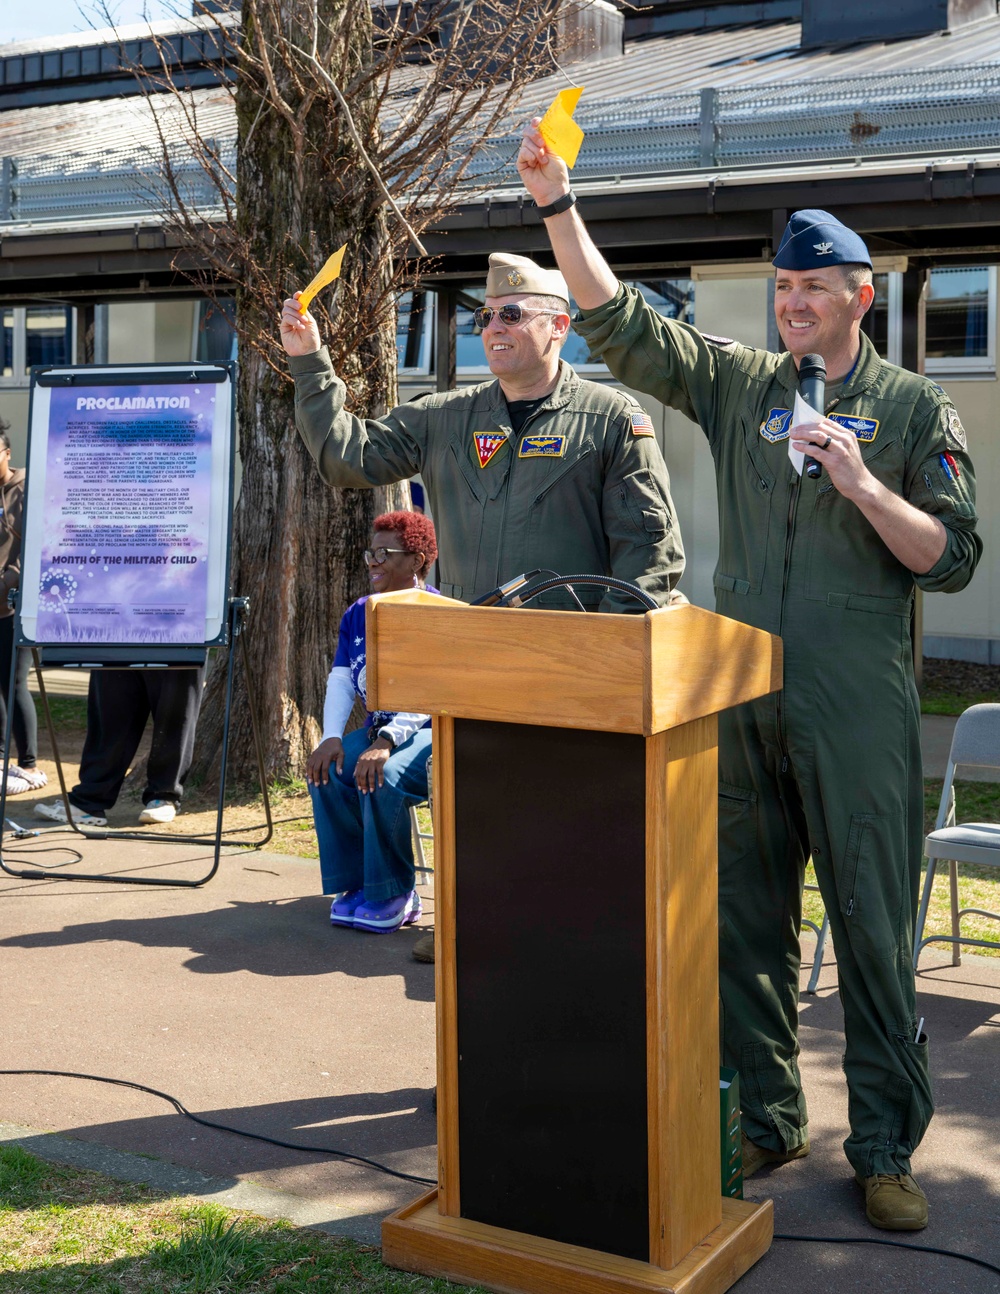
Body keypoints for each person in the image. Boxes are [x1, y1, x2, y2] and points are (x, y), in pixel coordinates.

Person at [517, 122, 981, 1232]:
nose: (792, 304)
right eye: (782, 288)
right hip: (743, 699)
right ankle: (768, 1117)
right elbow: (618, 321)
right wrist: (557, 206)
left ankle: (884, 1147)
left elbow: (952, 557)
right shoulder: (742, 386)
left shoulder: (916, 408)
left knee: (872, 929)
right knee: (741, 924)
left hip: (854, 709)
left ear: (861, 295)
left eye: (812, 288)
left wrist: (864, 483)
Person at [279, 252, 685, 615]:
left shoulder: (610, 419)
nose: (493, 328)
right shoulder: (443, 417)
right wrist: (309, 361)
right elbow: (344, 456)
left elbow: (649, 554)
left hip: (567, 656)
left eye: (511, 315)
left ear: (559, 326)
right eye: (485, 316)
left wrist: (607, 646)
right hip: (469, 650)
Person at [306, 510, 438, 934]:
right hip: (379, 730)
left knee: (384, 775)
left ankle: (396, 891)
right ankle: (359, 883)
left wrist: (385, 741)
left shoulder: (437, 612)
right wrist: (330, 737)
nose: (373, 562)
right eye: (371, 553)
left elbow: (431, 690)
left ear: (416, 560)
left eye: (385, 554)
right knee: (327, 771)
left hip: (431, 732)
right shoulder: (358, 612)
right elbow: (342, 678)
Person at [34, 666, 205, 826]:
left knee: (174, 714)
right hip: (115, 645)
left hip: (180, 646)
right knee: (110, 710)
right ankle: (88, 801)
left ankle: (164, 796)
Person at [0, 421, 46, 796]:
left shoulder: (27, 488)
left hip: (15, 606)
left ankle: (29, 764)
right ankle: (1, 761)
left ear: (7, 453)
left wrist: (8, 581)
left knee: (14, 683)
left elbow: (35, 546)